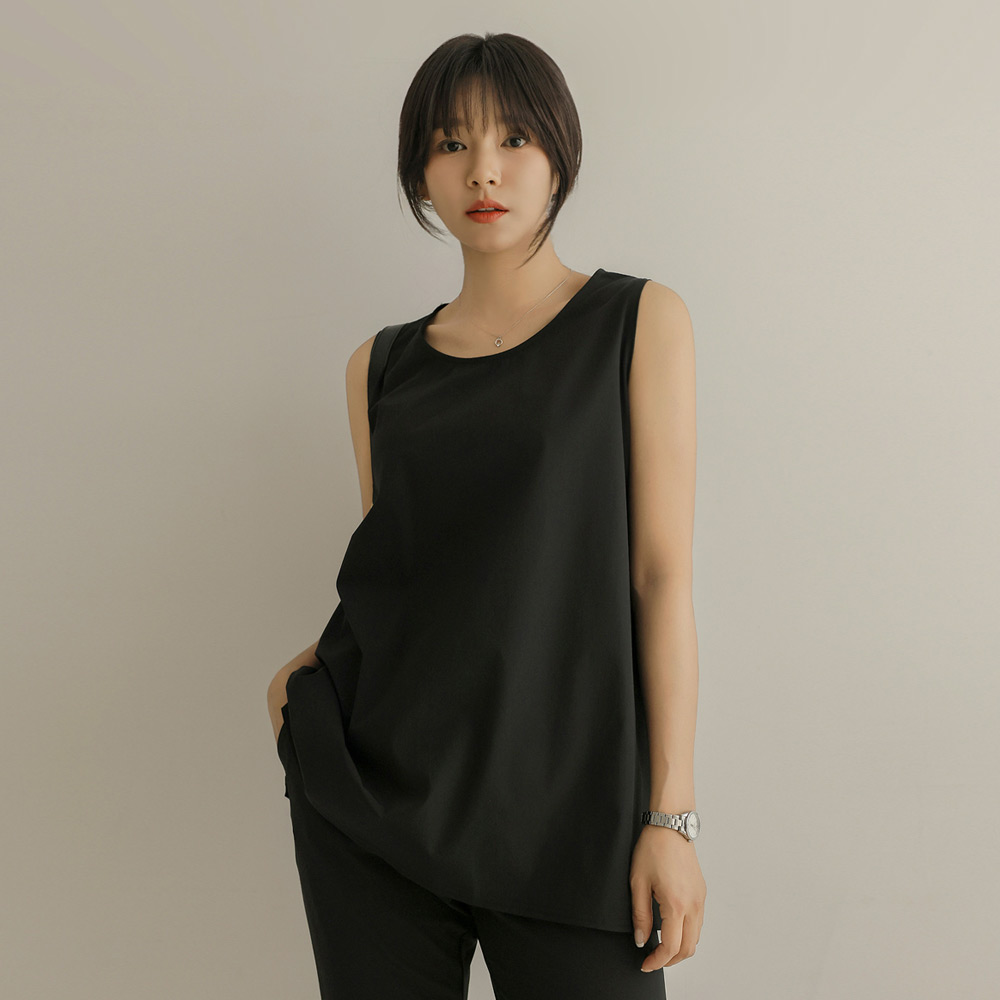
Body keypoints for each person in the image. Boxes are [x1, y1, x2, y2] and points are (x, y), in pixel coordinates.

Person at [266, 31, 706, 999]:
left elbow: (659, 576)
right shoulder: (380, 367)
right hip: (377, 809)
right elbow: (410, 581)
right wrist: (304, 689)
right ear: (419, 169)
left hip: (573, 813)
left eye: (513, 138)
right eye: (450, 143)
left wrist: (669, 818)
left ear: (559, 152)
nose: (483, 171)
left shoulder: (636, 324)